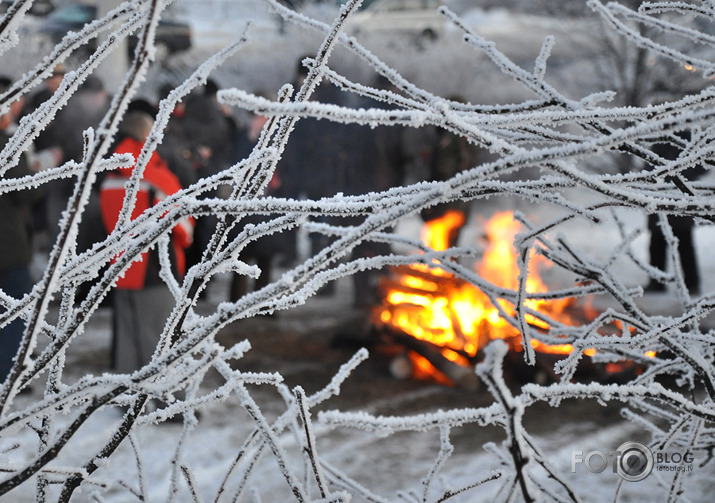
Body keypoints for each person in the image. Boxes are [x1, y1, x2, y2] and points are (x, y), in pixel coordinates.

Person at [100, 111, 194, 373]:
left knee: (127, 343)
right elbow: (185, 228)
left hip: (121, 267)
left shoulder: (110, 177)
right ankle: (167, 406)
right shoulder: (155, 176)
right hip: (156, 269)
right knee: (162, 340)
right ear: (146, 135)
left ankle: (126, 402)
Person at [0, 78, 45, 382]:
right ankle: (9, 377)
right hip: (8, 245)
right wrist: (37, 173)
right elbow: (25, 192)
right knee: (15, 312)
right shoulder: (6, 144)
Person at [646, 131, 704, 294]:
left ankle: (691, 284)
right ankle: (657, 281)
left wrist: (677, 178)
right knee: (656, 244)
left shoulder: (687, 140)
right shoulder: (659, 139)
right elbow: (648, 165)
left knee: (684, 245)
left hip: (681, 204)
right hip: (658, 203)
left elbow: (700, 166)